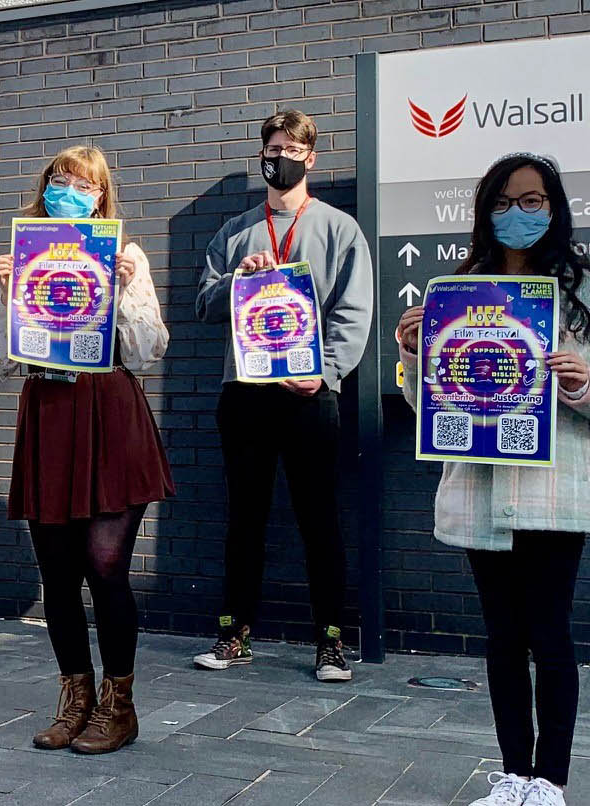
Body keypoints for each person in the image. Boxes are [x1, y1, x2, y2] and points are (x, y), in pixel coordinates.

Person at [397, 152, 590, 806]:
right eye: (505, 202)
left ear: (555, 207)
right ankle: (514, 775)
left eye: (532, 201)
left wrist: (584, 382)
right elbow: (427, 406)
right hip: (480, 490)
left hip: (554, 494)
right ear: (485, 211)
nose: (518, 214)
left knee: (549, 634)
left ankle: (551, 783)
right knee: (503, 640)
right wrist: (412, 353)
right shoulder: (455, 295)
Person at [0, 145, 171, 755]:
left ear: (102, 194)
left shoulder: (125, 255)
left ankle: (120, 706)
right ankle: (74, 699)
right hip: (51, 416)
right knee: (57, 578)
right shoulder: (25, 255)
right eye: (61, 180)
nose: (71, 190)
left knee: (106, 570)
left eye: (85, 184)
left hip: (109, 415)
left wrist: (122, 292)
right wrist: (8, 294)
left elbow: (148, 351)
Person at [193, 109, 374, 682]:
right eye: (271, 149)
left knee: (319, 519)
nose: (280, 158)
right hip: (244, 392)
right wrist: (236, 281)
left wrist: (327, 371)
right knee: (244, 519)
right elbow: (202, 305)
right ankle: (234, 634)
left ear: (310, 157)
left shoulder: (338, 229)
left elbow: (353, 309)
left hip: (308, 394)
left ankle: (331, 641)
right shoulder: (236, 232)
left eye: (291, 149)